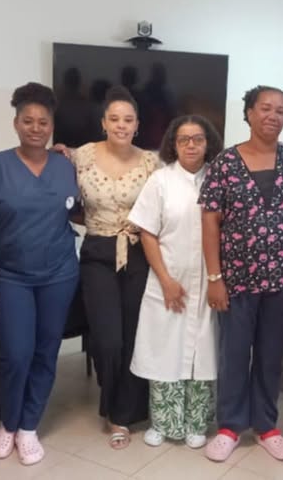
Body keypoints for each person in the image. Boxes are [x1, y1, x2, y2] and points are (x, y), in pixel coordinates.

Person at [198, 85, 283, 463]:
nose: (273, 116)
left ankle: (266, 425)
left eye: (280, 110)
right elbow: (210, 222)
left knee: (271, 353)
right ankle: (230, 426)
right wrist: (215, 278)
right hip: (236, 279)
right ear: (248, 113)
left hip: (282, 278)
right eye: (265, 108)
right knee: (233, 353)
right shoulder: (225, 163)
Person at [0, 82, 80, 466]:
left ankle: (29, 426)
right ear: (16, 123)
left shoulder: (65, 165)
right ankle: (8, 424)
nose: (36, 128)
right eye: (28, 121)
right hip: (11, 276)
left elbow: (77, 209)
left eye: (43, 122)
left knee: (46, 352)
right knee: (16, 354)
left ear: (52, 126)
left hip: (59, 274)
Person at [60, 85, 160, 449]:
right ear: (103, 122)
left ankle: (122, 415)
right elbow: (65, 198)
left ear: (137, 125)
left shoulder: (152, 162)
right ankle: (114, 400)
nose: (121, 125)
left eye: (128, 120)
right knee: (107, 340)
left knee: (134, 336)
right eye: (114, 119)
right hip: (98, 252)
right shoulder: (81, 156)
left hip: (138, 252)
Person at [127, 115, 224, 450]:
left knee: (204, 351)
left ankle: (198, 423)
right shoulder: (160, 180)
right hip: (168, 282)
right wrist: (166, 280)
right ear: (173, 144)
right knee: (164, 349)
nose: (191, 145)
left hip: (208, 282)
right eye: (184, 139)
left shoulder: (219, 179)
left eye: (198, 139)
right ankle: (163, 422)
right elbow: (147, 233)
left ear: (208, 143)